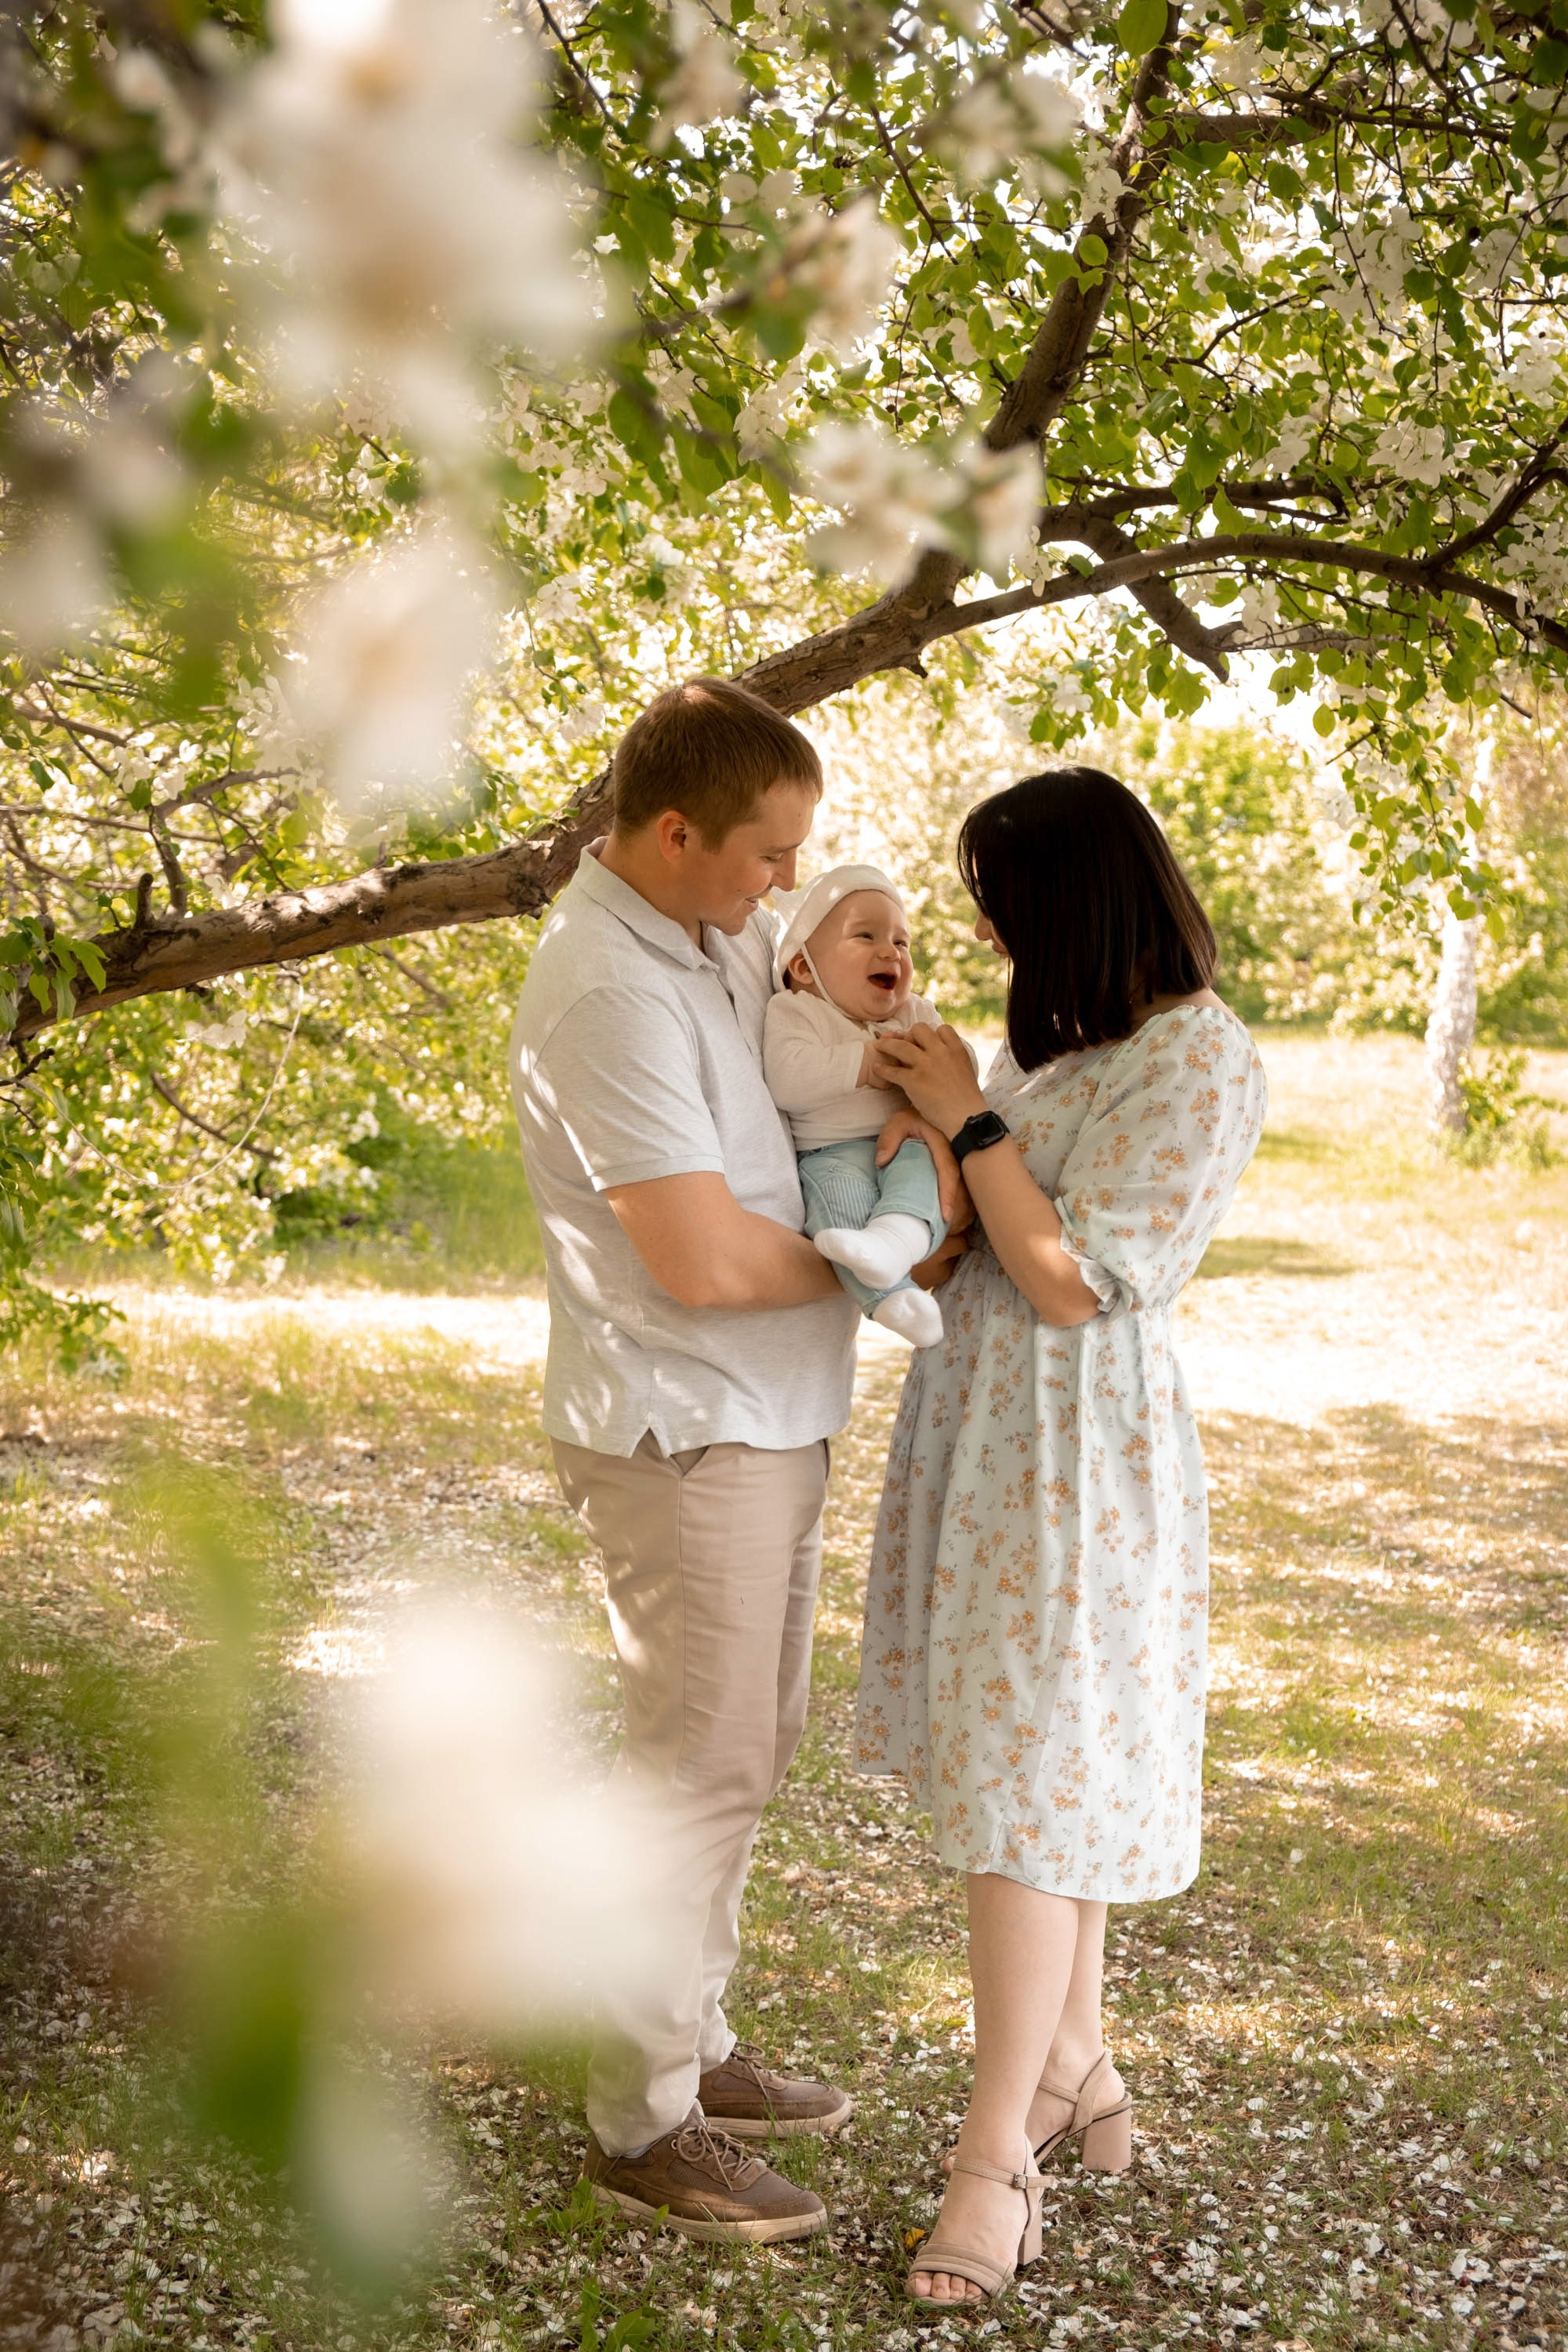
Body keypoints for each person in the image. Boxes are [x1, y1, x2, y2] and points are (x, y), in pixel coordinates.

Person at [508, 677, 962, 2247]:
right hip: (689, 1421)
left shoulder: (694, 941)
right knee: (693, 1768)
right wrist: (905, 1263)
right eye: (767, 854)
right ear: (677, 829)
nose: (787, 884)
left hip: (763, 1412)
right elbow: (698, 1260)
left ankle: (689, 2045)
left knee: (742, 1748)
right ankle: (641, 2124)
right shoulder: (608, 989)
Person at [852, 766, 1269, 2308]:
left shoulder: (1197, 1057)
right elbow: (982, 1230)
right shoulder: (1064, 1052)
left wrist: (965, 1112)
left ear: (1071, 900)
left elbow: (1077, 1279)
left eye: (999, 899)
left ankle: (995, 2161)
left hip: (1072, 1459)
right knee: (1030, 1766)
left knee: (1033, 1785)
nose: (978, 926)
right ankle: (1076, 2067)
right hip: (984, 1439)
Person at [764, 864, 969, 1353]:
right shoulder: (798, 1012)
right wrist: (866, 1062)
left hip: (911, 1143)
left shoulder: (915, 1013)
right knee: (837, 1213)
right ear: (804, 968)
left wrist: (937, 1058)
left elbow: (961, 1071)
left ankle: (896, 1242)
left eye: (902, 943)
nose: (890, 952)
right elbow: (787, 1080)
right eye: (866, 936)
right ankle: (896, 1300)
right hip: (830, 1153)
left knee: (926, 1177)